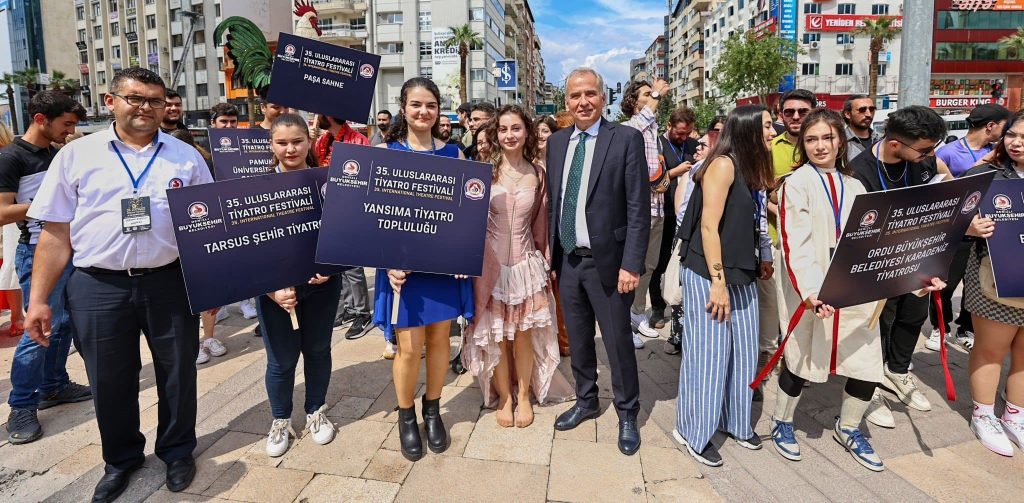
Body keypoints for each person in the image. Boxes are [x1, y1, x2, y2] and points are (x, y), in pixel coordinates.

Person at [24, 67, 211, 501]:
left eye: (155, 100)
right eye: (135, 98)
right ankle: (122, 459)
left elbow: (206, 227)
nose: (146, 107)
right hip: (97, 285)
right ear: (111, 102)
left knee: (178, 373)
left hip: (169, 281)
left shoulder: (185, 157)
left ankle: (178, 450)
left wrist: (213, 286)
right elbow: (55, 234)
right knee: (109, 379)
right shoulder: (77, 155)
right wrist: (37, 300)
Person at [768, 108, 947, 472]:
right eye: (812, 139)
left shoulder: (855, 186)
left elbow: (880, 243)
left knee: (865, 362)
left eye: (828, 138)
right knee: (804, 358)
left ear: (840, 142)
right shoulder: (795, 183)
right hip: (814, 289)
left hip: (857, 288)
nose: (820, 146)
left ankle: (848, 427)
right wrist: (811, 292)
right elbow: (794, 245)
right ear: (803, 143)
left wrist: (917, 278)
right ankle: (782, 421)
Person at [548, 67, 649, 456]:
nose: (583, 102)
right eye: (575, 96)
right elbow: (557, 202)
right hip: (569, 261)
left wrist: (632, 264)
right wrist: (553, 256)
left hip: (610, 264)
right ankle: (587, 400)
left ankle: (627, 412)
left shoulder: (625, 139)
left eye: (590, 94)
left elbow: (639, 209)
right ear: (567, 102)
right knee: (577, 338)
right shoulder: (557, 143)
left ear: (603, 98)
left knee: (618, 342)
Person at [373, 77, 472, 461]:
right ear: (403, 108)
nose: (423, 112)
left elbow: (465, 215)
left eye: (430, 105)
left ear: (438, 110)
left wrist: (463, 255)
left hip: (442, 269)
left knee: (439, 344)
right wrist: (387, 263)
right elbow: (372, 218)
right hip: (402, 271)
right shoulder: (386, 153)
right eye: (416, 104)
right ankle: (406, 417)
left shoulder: (454, 155)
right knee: (409, 349)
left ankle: (433, 410)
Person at [673, 104, 775, 467]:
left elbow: (754, 218)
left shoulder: (751, 166)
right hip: (709, 274)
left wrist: (763, 255)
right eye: (766, 126)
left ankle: (736, 422)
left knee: (745, 353)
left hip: (743, 271)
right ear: (748, 128)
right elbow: (707, 226)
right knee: (709, 356)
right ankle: (692, 430)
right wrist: (717, 283)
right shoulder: (723, 164)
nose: (772, 132)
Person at [463, 105, 574, 427]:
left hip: (526, 267)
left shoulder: (538, 174)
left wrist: (548, 259)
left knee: (524, 335)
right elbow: (469, 223)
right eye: (503, 129)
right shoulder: (483, 171)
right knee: (498, 337)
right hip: (490, 268)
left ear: (526, 132)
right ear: (496, 134)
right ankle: (506, 397)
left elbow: (541, 226)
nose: (509, 135)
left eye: (516, 128)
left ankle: (523, 395)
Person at [849, 105, 953, 428]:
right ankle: (868, 385)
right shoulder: (859, 171)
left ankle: (897, 370)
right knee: (879, 322)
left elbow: (949, 186)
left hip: (920, 255)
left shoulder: (925, 161)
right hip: (879, 262)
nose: (930, 155)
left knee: (912, 316)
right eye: (924, 149)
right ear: (896, 144)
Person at [0, 91, 91, 445]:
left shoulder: (58, 154)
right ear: (41, 119)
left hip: (71, 250)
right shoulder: (10, 158)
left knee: (64, 324)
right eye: (66, 124)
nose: (70, 131)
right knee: (38, 329)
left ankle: (54, 385)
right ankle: (21, 404)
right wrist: (43, 204)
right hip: (38, 251)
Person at [258, 113, 343, 457]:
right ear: (271, 145)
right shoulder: (256, 188)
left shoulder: (328, 181)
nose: (290, 148)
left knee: (319, 350)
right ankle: (280, 419)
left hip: (322, 286)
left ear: (310, 141)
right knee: (280, 361)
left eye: (297, 141)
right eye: (282, 142)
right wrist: (271, 288)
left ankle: (316, 411)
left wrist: (330, 268)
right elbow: (248, 247)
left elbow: (344, 234)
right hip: (276, 293)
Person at [961, 110, 1024, 456]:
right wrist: (969, 226)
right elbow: (951, 214)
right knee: (991, 351)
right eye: (1012, 134)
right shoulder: (985, 174)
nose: (1016, 142)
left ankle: (1015, 415)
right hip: (994, 276)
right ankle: (983, 414)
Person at [929, 104, 1012, 353]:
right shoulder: (949, 152)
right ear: (991, 126)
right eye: (1006, 128)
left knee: (974, 282)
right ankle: (939, 328)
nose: (1009, 135)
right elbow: (939, 187)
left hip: (989, 231)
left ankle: (967, 328)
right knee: (946, 281)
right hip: (958, 229)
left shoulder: (999, 152)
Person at [762, 89, 817, 398]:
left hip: (815, 245)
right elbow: (762, 191)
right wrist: (786, 214)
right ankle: (771, 360)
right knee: (775, 307)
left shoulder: (827, 146)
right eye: (790, 112)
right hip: (777, 241)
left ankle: (798, 362)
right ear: (781, 114)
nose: (796, 117)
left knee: (806, 305)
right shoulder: (771, 147)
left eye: (803, 111)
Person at [313, 115, 375, 341]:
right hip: (327, 208)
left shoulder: (357, 140)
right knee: (338, 265)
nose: (315, 117)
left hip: (349, 210)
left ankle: (362, 312)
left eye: (319, 113)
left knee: (352, 266)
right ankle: (350, 306)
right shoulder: (322, 141)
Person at [620, 78, 672, 348]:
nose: (653, 99)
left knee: (649, 266)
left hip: (658, 207)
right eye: (645, 95)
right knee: (630, 268)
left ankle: (637, 313)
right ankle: (622, 324)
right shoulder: (630, 127)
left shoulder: (655, 132)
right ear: (633, 102)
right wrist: (656, 92)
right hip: (637, 213)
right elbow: (643, 120)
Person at [666, 115, 723, 355]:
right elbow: (682, 208)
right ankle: (679, 336)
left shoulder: (712, 170)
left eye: (702, 145)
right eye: (696, 143)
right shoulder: (692, 171)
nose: (695, 147)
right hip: (686, 238)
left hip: (699, 240)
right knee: (680, 292)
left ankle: (687, 337)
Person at [653, 108, 699, 331]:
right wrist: (674, 172)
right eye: (680, 133)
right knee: (659, 263)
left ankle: (682, 307)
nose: (683, 138)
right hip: (664, 213)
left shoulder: (692, 146)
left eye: (687, 133)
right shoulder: (658, 145)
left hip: (687, 215)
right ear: (669, 126)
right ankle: (657, 307)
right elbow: (651, 178)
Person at [534, 115, 570, 356]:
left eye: (545, 130)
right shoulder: (528, 164)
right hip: (534, 235)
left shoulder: (562, 162)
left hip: (559, 235)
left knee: (560, 294)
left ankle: (564, 341)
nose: (540, 135)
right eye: (537, 131)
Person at [0, 122, 23, 339]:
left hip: (12, 219)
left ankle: (18, 318)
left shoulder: (9, 157)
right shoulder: (13, 154)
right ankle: (17, 317)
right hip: (12, 218)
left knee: (12, 264)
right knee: (12, 265)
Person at [842, 95, 879, 161]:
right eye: (862, 110)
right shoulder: (840, 142)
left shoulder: (880, 140)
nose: (869, 114)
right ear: (848, 114)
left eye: (871, 109)